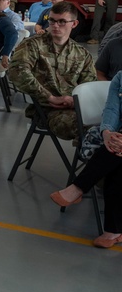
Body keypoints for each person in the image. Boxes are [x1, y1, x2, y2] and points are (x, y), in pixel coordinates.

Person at [49, 70, 122, 248]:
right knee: (117, 151)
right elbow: (112, 108)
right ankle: (113, 231)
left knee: (116, 152)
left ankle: (78, 187)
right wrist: (106, 133)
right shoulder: (120, 77)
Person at [8, 1, 96, 140]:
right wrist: (49, 97)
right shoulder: (33, 44)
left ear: (74, 24)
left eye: (62, 22)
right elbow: (16, 71)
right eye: (52, 21)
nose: (55, 25)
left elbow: (89, 86)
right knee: (89, 129)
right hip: (46, 109)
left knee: (108, 126)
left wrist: (74, 100)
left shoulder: (82, 54)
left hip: (75, 107)